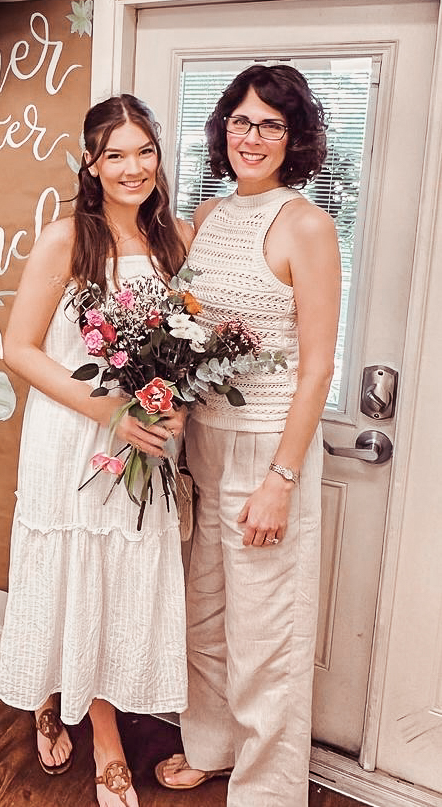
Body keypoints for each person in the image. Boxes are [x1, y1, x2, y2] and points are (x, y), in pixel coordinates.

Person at [0, 94, 193, 807]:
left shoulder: (176, 240)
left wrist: (171, 403)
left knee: (115, 583)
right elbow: (18, 348)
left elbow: (185, 344)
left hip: (144, 442)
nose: (133, 168)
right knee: (68, 571)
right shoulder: (66, 239)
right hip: (74, 435)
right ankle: (76, 721)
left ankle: (82, 699)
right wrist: (111, 412)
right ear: (90, 162)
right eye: (116, 154)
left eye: (145, 152)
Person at [155, 64, 341, 806]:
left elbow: (318, 366)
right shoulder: (208, 216)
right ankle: (210, 746)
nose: (252, 137)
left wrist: (281, 480)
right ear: (223, 130)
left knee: (267, 633)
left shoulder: (306, 225)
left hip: (269, 448)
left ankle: (266, 790)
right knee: (204, 614)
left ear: (294, 137)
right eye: (241, 121)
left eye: (270, 124)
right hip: (203, 441)